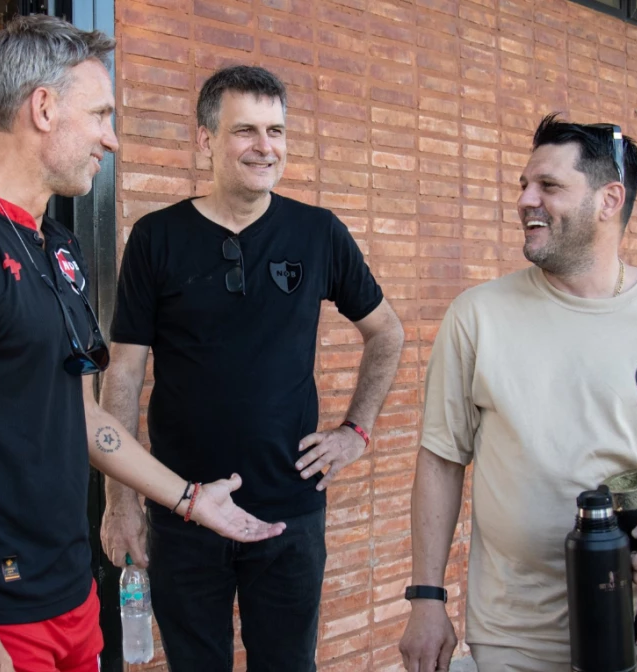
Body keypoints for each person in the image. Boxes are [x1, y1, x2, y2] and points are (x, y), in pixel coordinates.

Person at [0, 17, 284, 672]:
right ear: (43, 108)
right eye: (99, 115)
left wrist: (187, 498)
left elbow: (82, 416)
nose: (110, 138)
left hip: (69, 589)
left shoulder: (58, 246)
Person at [398, 114, 637, 672]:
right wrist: (426, 598)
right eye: (524, 185)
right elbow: (441, 459)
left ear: (609, 199)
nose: (525, 200)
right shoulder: (478, 316)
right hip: (514, 631)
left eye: (549, 185)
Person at [98, 65, 405, 671]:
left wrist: (356, 431)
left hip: (288, 510)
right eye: (246, 130)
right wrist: (121, 500)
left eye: (276, 131)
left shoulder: (318, 234)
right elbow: (124, 375)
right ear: (205, 139)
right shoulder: (157, 238)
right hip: (182, 508)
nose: (266, 147)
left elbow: (387, 333)